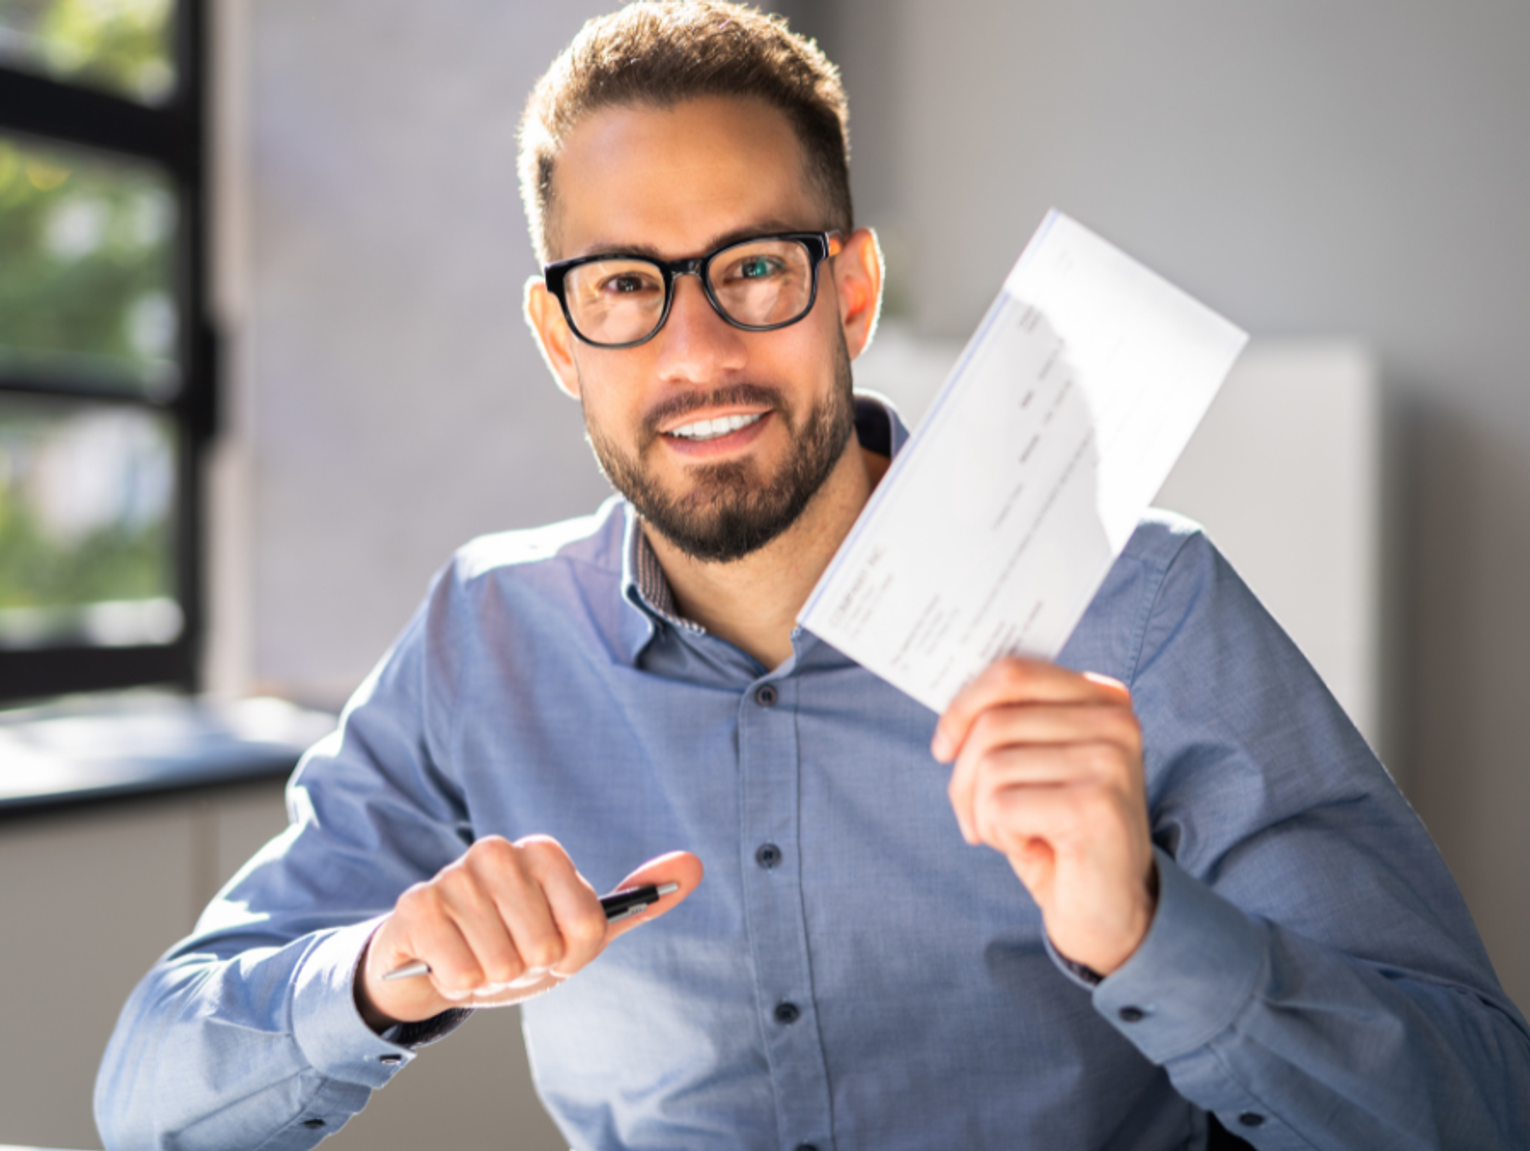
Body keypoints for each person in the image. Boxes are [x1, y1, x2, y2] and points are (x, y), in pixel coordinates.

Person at [97, 3, 1530, 1149]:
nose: (696, 350)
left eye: (756, 270)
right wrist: (371, 978)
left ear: (848, 289)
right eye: (622, 285)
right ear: (560, 340)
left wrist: (1148, 927)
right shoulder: (485, 636)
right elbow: (146, 1093)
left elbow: (1479, 1109)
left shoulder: (1137, 601)